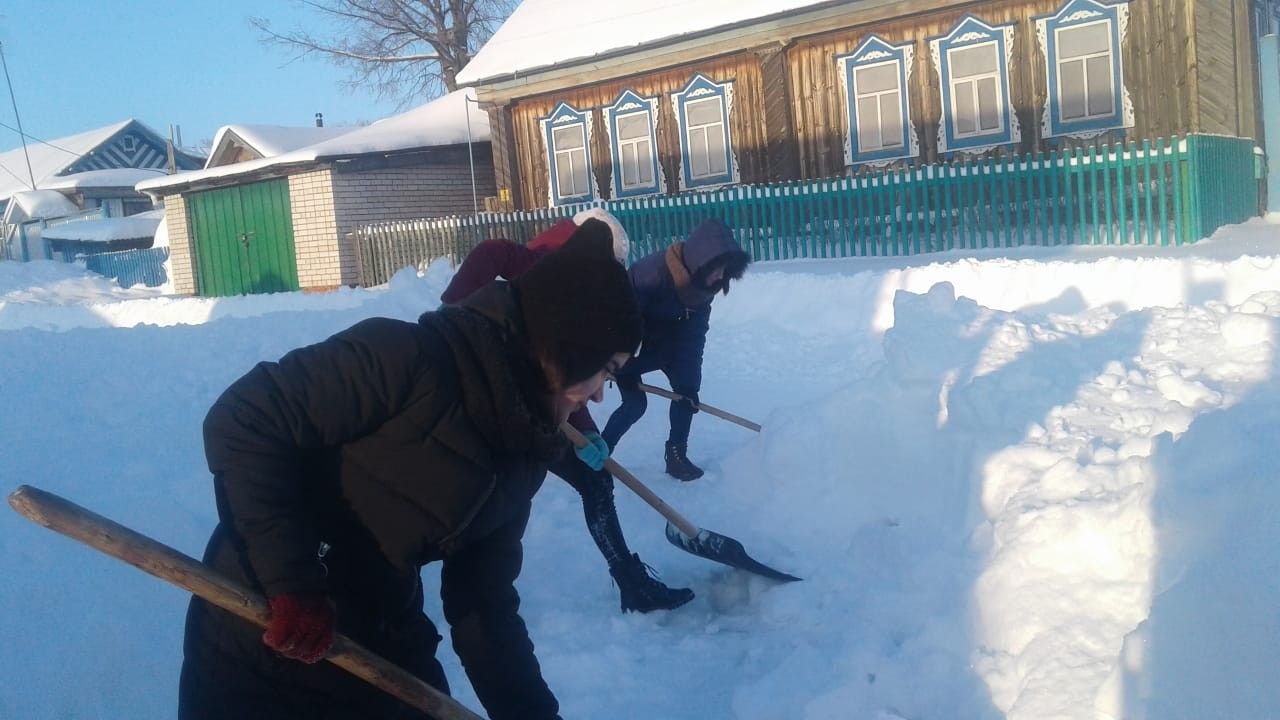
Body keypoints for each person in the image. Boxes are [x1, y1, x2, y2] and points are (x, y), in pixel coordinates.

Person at [179, 220, 642, 720]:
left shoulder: (525, 448)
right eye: (606, 370)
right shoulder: (408, 356)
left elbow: (483, 606)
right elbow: (244, 420)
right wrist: (291, 583)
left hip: (380, 627)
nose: (599, 394)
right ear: (566, 344)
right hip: (261, 616)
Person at [440, 207, 695, 614]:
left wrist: (588, 430)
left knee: (592, 482)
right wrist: (456, 308)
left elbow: (566, 374)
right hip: (502, 407)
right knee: (494, 503)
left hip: (537, 407)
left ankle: (630, 584)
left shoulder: (569, 289)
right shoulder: (549, 266)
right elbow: (493, 251)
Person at [602, 219, 751, 481]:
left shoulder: (704, 289)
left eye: (725, 270)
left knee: (685, 396)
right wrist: (617, 364)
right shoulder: (650, 274)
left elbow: (693, 338)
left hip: (668, 347)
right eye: (717, 269)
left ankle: (676, 455)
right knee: (635, 405)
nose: (719, 276)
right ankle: (600, 454)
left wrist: (690, 385)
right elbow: (622, 321)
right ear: (701, 260)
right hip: (630, 347)